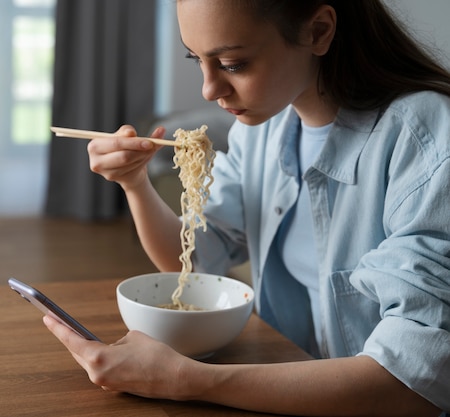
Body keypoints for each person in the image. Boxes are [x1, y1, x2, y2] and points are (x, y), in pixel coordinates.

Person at [44, 1, 450, 415]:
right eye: (196, 59)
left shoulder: (426, 141)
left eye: (232, 63)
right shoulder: (263, 130)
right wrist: (134, 182)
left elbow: (414, 382)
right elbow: (197, 262)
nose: (208, 89)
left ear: (319, 31)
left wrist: (183, 379)